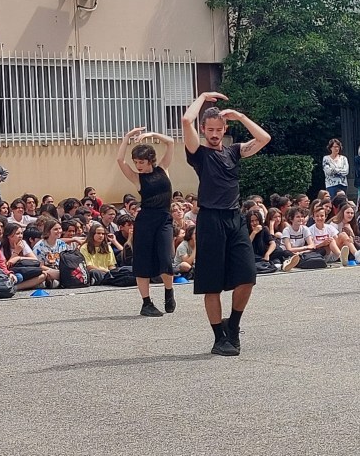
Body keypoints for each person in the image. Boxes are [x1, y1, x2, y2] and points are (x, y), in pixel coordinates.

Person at [183, 91, 271, 357]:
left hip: (235, 218)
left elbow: (264, 139)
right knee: (211, 284)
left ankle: (233, 327)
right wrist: (202, 97)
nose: (214, 134)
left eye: (218, 130)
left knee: (248, 277)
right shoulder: (198, 153)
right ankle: (218, 337)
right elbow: (186, 121)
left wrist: (241, 116)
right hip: (210, 219)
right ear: (204, 130)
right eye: (209, 130)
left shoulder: (234, 151)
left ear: (224, 130)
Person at [116, 126, 177, 318]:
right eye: (135, 162)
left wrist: (152, 135)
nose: (138, 165)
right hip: (145, 221)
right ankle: (146, 303)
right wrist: (126, 137)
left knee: (166, 258)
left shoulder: (163, 169)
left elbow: (171, 142)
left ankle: (169, 291)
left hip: (164, 219)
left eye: (141, 161)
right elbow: (120, 160)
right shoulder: (137, 178)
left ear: (150, 160)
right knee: (142, 262)